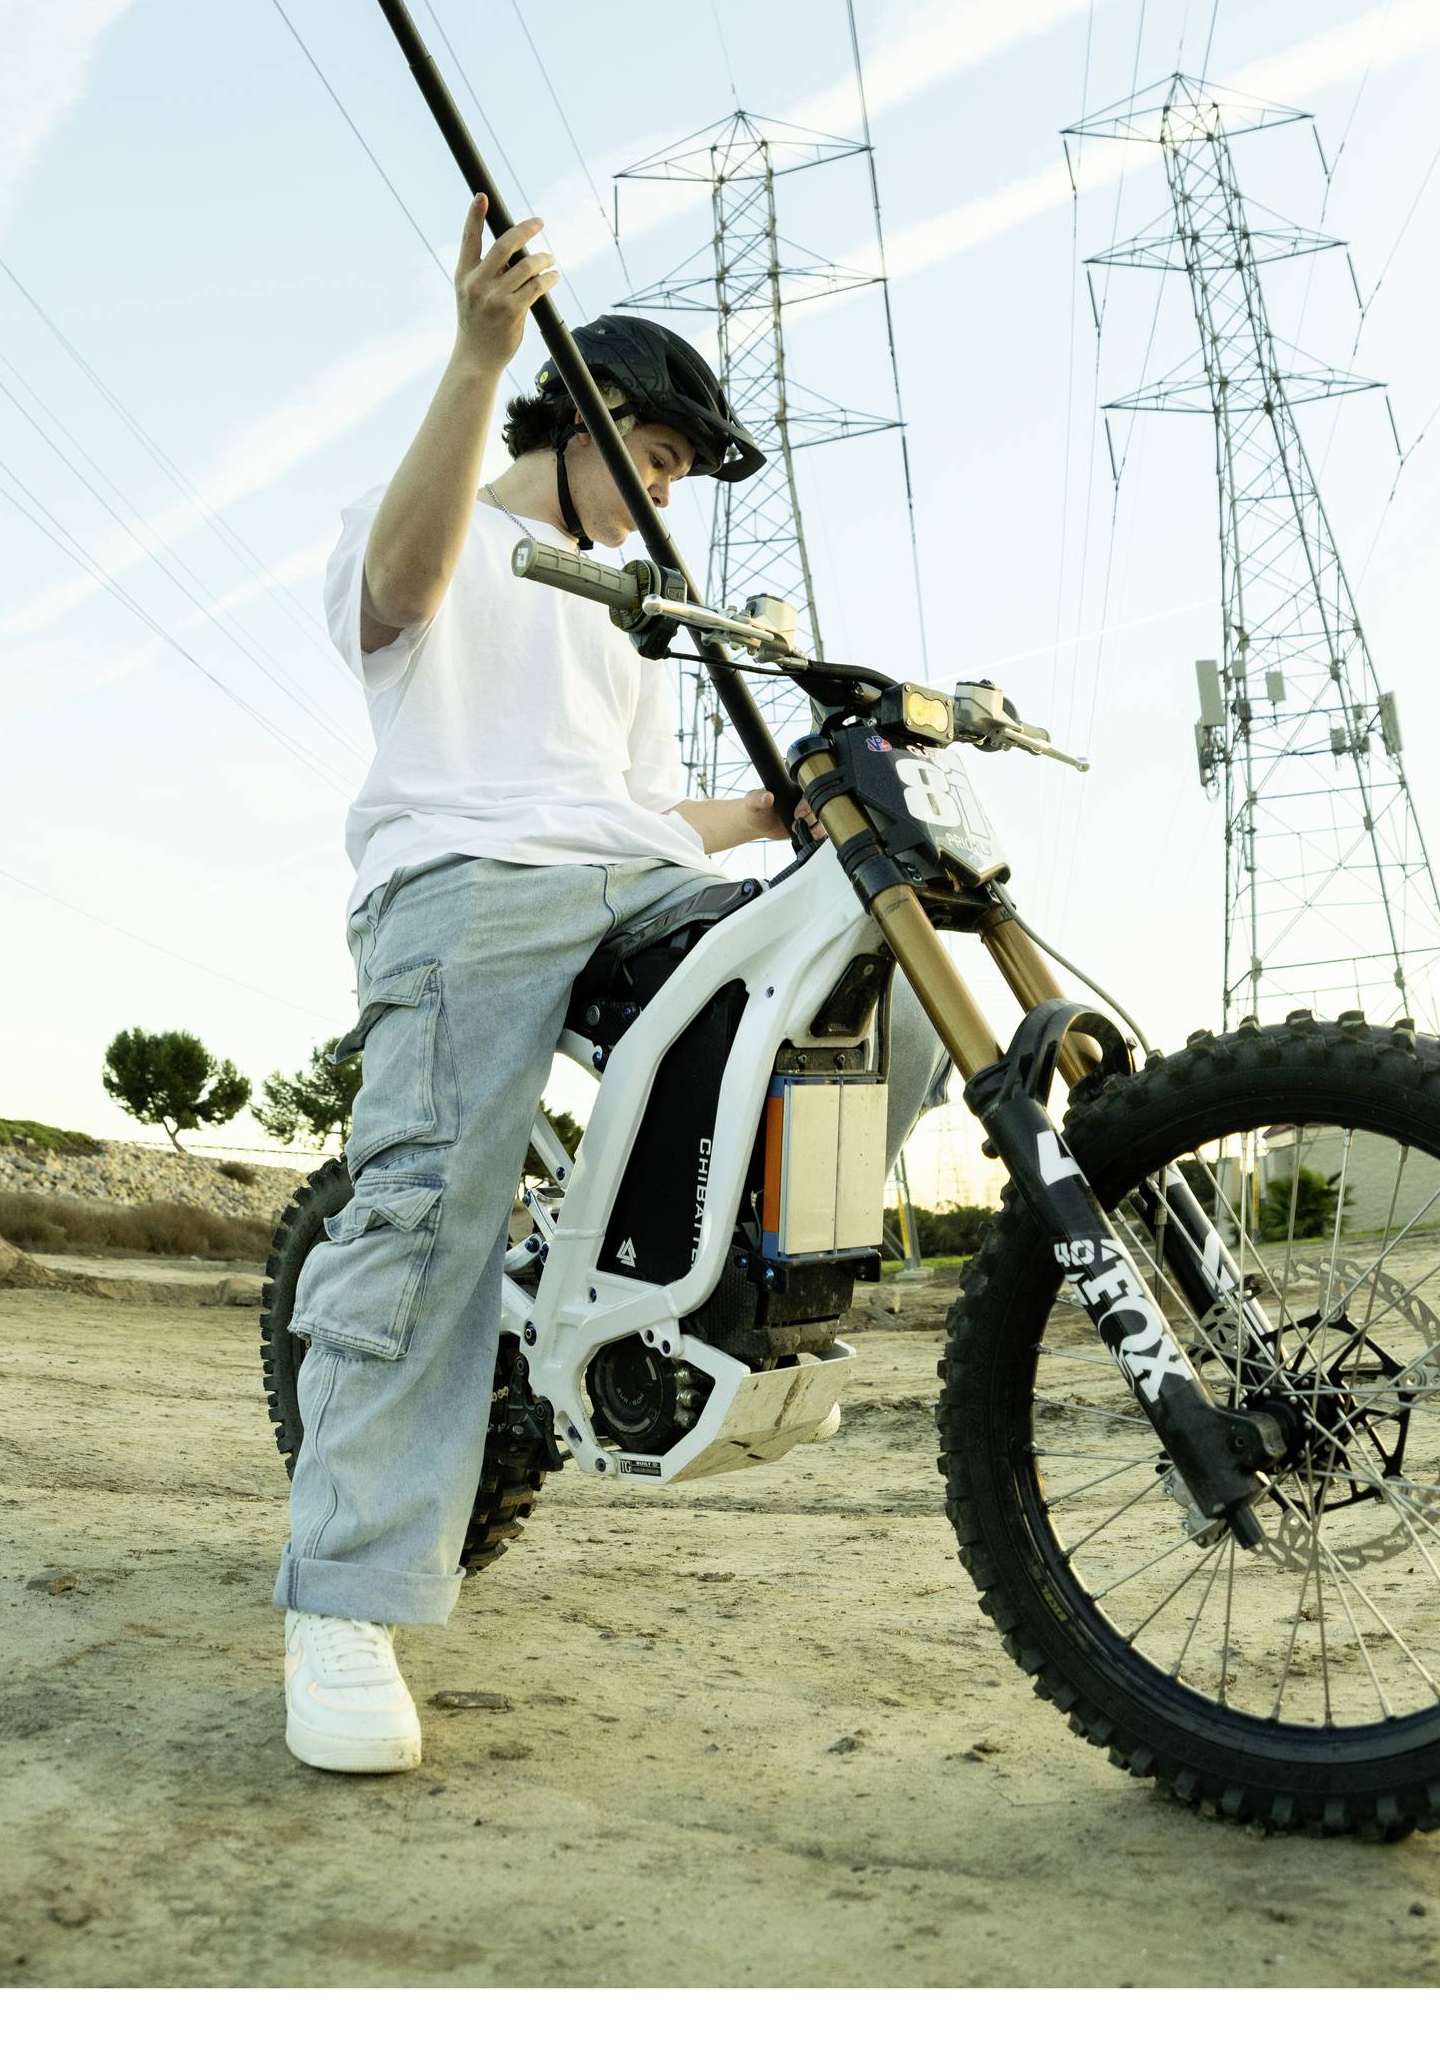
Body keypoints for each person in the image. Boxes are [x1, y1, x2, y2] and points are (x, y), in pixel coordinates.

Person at [279, 196, 947, 1773]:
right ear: (580, 421)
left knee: (854, 984)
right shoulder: (448, 522)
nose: (664, 496)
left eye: (673, 478)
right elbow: (400, 592)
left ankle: (675, 1295)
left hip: (628, 879)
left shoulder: (630, 617)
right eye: (650, 459)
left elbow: (641, 814)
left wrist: (775, 817)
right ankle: (345, 1600)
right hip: (465, 887)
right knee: (427, 1206)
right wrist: (475, 353)